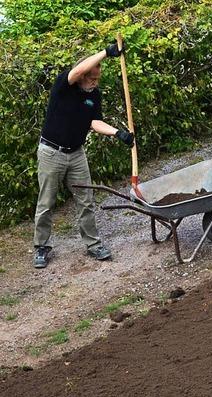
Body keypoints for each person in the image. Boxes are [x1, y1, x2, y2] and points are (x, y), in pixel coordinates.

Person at [33, 43, 135, 268]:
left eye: (97, 80)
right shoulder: (64, 85)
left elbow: (94, 122)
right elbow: (78, 71)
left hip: (76, 154)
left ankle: (93, 244)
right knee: (47, 202)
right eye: (92, 79)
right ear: (82, 76)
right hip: (51, 152)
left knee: (86, 200)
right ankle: (41, 247)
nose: (95, 83)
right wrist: (106, 53)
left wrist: (118, 133)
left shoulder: (94, 96)